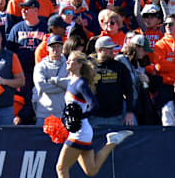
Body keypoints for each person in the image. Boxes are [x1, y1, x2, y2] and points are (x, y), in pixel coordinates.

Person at [55, 50, 134, 178]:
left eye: (71, 60)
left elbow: (94, 105)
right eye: (68, 59)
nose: (68, 62)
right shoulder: (71, 81)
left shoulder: (80, 83)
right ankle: (112, 142)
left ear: (79, 64)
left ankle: (112, 141)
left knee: (61, 167)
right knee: (91, 171)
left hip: (80, 131)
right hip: (80, 130)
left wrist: (80, 116)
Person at [91, 36, 136, 126]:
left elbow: (129, 91)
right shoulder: (89, 67)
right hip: (94, 116)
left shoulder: (120, 67)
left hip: (116, 116)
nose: (112, 51)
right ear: (99, 50)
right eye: (108, 49)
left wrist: (129, 112)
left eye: (112, 48)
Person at [34, 35, 69, 125]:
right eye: (52, 46)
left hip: (64, 114)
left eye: (58, 46)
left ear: (62, 47)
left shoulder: (69, 65)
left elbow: (71, 84)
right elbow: (41, 86)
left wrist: (53, 80)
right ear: (47, 48)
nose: (55, 49)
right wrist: (62, 85)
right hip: (44, 114)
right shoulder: (40, 66)